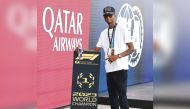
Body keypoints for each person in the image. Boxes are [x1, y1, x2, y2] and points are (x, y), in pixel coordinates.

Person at [95, 6, 134, 109]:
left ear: (114, 15)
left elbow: (131, 48)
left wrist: (117, 56)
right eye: (106, 16)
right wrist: (81, 51)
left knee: (122, 98)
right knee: (112, 99)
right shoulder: (103, 33)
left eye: (110, 15)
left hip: (120, 69)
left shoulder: (122, 28)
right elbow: (96, 51)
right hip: (109, 69)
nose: (108, 18)